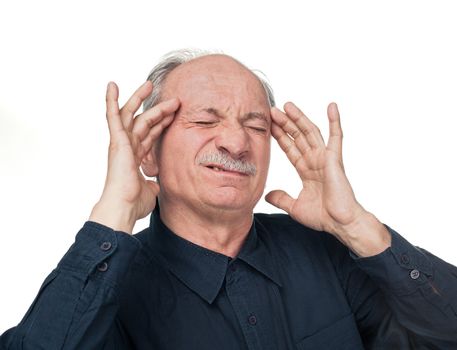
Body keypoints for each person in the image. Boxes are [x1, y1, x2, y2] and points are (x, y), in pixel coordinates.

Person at [1, 49, 456, 350]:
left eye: (257, 127)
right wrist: (113, 214)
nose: (237, 143)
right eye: (204, 121)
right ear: (148, 150)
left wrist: (358, 226)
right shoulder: (109, 285)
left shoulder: (327, 252)